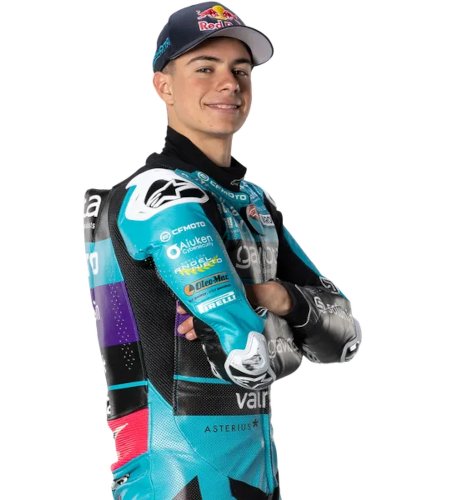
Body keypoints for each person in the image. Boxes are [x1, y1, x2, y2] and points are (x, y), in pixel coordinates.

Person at [82, 2, 364, 499]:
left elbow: (344, 337)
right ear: (163, 87)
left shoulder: (254, 200)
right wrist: (290, 325)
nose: (229, 83)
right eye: (205, 68)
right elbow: (249, 357)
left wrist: (275, 297)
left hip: (257, 472)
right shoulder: (155, 194)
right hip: (175, 478)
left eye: (241, 70)